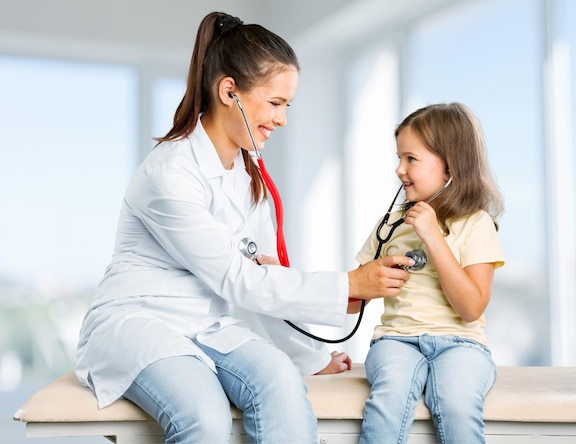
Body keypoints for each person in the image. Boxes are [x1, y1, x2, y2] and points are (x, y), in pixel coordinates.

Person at [75, 11, 414, 444]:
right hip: (140, 322)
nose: (282, 119)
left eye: (287, 106)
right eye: (275, 103)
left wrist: (309, 357)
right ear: (228, 91)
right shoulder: (170, 174)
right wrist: (348, 283)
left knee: (282, 384)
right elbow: (239, 280)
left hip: (208, 325)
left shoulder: (249, 177)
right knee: (204, 415)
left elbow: (264, 274)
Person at [349, 102, 505, 444]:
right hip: (396, 341)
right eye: (399, 158)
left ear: (449, 168)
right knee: (389, 398)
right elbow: (352, 297)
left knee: (456, 403)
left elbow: (472, 308)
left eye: (410, 159)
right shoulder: (391, 224)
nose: (399, 170)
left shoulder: (476, 225)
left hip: (461, 344)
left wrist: (433, 237)